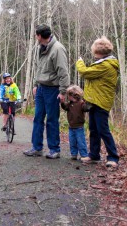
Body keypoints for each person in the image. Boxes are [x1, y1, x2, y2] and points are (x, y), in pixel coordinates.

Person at [23, 24, 70, 159]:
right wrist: (35, 84)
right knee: (38, 118)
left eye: (36, 35)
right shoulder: (41, 48)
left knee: (51, 119)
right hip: (41, 88)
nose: (35, 38)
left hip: (53, 89)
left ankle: (54, 149)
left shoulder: (58, 49)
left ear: (39, 36)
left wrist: (62, 91)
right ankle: (36, 148)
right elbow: (39, 68)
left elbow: (63, 72)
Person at [76, 36, 119, 168]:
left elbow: (85, 72)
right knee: (93, 128)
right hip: (94, 101)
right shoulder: (103, 63)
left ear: (99, 52)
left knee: (103, 129)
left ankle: (113, 157)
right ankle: (94, 155)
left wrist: (79, 62)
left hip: (101, 102)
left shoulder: (106, 65)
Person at [60, 85, 89, 161]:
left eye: (69, 95)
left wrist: (87, 101)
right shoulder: (69, 104)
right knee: (72, 141)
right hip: (71, 127)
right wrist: (62, 102)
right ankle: (74, 154)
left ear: (73, 95)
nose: (68, 97)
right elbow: (64, 107)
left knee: (81, 142)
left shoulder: (81, 103)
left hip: (79, 127)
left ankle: (84, 155)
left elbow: (86, 108)